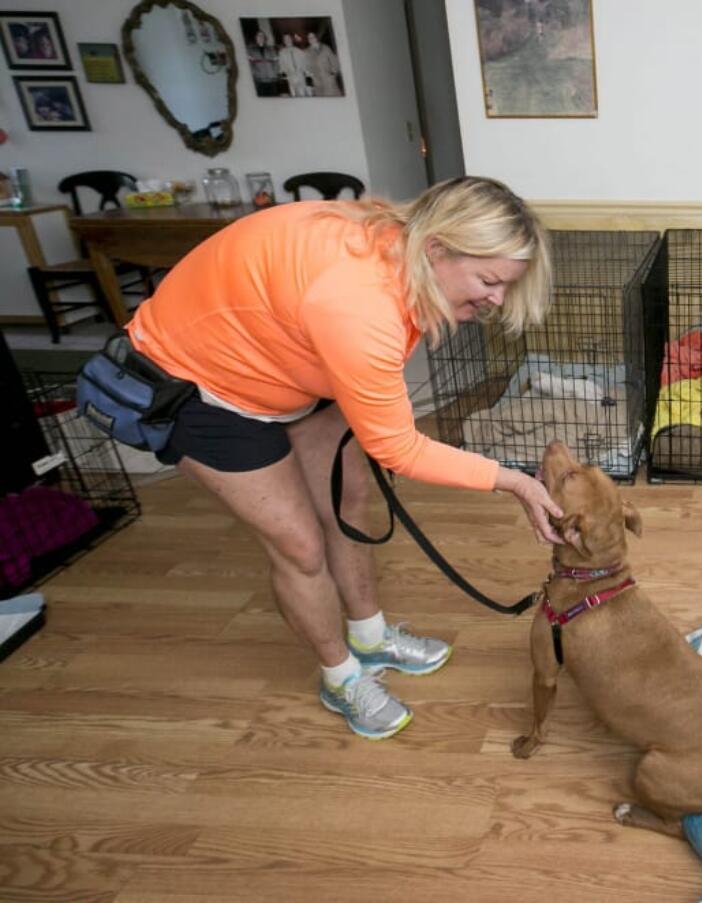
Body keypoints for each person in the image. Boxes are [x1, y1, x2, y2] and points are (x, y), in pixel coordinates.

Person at [125, 177, 562, 739]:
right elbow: (399, 448)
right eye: (489, 280)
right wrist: (515, 482)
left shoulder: (395, 244)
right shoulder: (360, 304)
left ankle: (370, 635)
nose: (496, 299)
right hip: (204, 384)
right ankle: (340, 676)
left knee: (348, 501)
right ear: (438, 249)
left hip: (289, 356)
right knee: (299, 544)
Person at [304, 32, 342, 96]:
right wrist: (312, 76)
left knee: (334, 99)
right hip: (317, 81)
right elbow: (307, 66)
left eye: (313, 37)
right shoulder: (307, 52)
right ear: (308, 40)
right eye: (309, 38)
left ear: (316, 38)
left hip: (328, 79)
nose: (311, 39)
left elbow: (334, 61)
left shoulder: (326, 48)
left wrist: (333, 75)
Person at [246, 29, 279, 97]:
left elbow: (276, 62)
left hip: (272, 79)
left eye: (262, 36)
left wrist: (275, 72)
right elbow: (249, 64)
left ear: (264, 38)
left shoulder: (271, 49)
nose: (260, 37)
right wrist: (255, 73)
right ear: (256, 37)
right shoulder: (251, 50)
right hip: (259, 80)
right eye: (259, 36)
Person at [277, 32, 309, 97]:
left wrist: (304, 71)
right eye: (285, 39)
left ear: (291, 39)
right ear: (284, 41)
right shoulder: (281, 53)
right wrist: (285, 74)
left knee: (304, 95)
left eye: (288, 38)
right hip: (290, 77)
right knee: (294, 96)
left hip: (300, 76)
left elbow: (305, 63)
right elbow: (281, 65)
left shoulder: (299, 51)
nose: (287, 40)